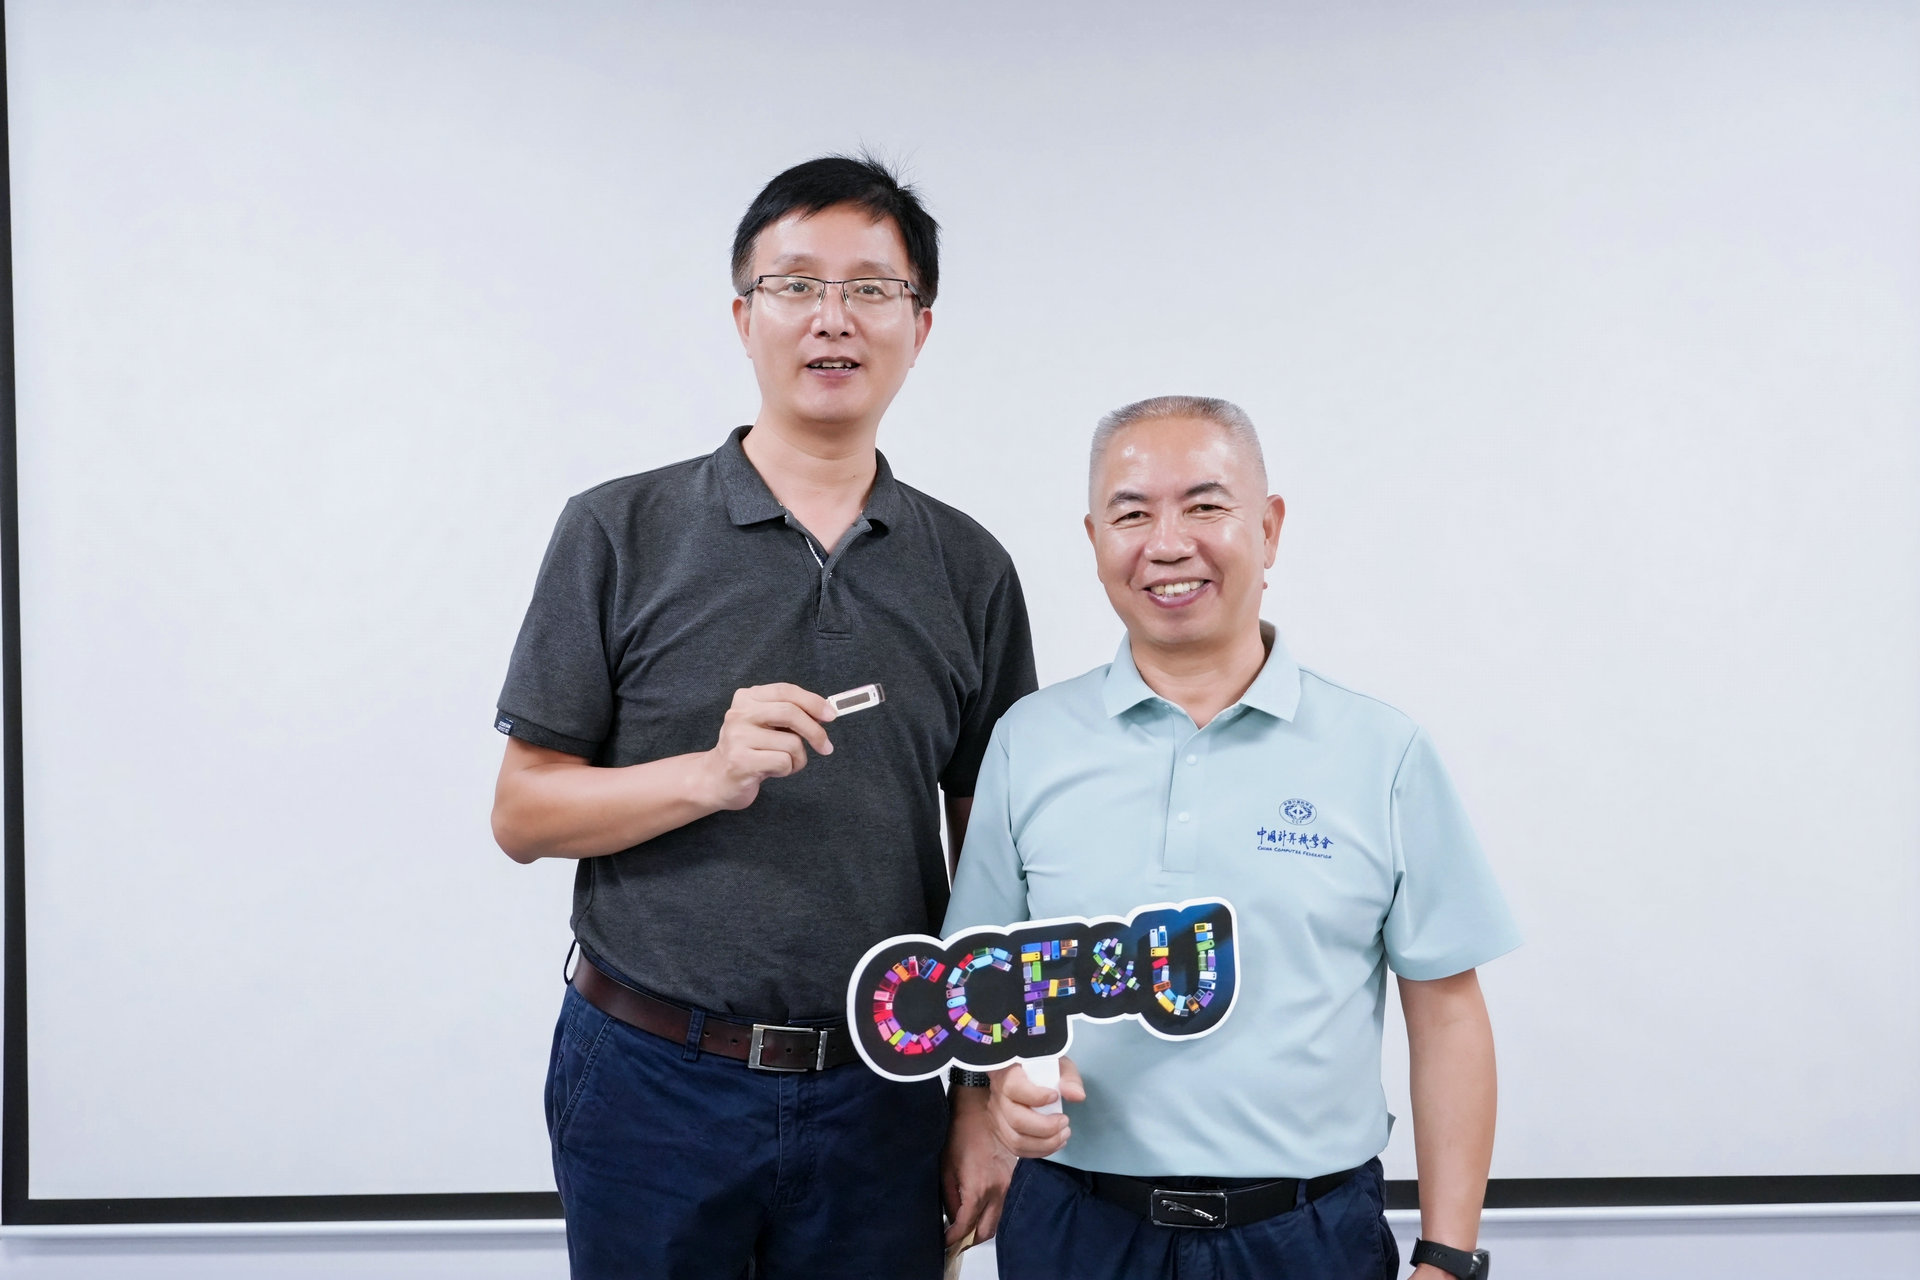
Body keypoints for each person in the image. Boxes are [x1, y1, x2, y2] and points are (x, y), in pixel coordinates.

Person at [490, 155, 1035, 1280]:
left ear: (921, 328)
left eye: (871, 289)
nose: (833, 317)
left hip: (884, 1087)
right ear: (745, 317)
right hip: (650, 1076)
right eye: (795, 285)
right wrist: (707, 773)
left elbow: (993, 856)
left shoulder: (970, 567)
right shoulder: (618, 529)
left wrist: (984, 1091)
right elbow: (523, 812)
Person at [943, 396, 1520, 1280]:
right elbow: (984, 980)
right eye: (1132, 514)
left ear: (1270, 528)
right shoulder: (1029, 741)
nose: (1168, 544)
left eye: (1205, 506)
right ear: (1094, 539)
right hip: (1076, 1227)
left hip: (1305, 1235)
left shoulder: (1381, 752)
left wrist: (1447, 1257)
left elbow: (1446, 1015)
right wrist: (1007, 1083)